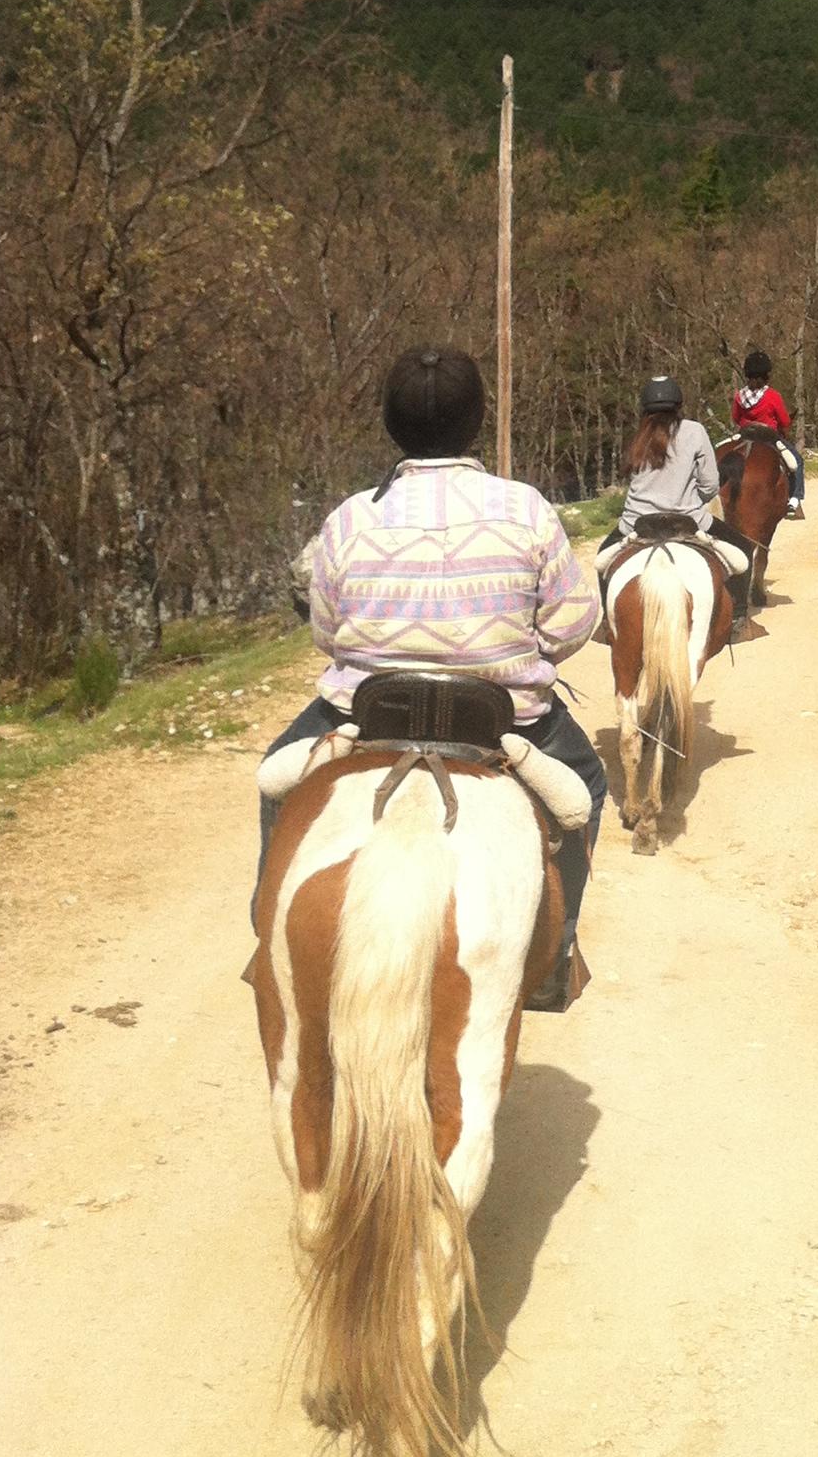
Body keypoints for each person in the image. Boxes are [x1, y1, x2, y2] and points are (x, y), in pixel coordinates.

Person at [258, 344, 605, 1013]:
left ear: (391, 425)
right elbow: (570, 628)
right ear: (477, 420)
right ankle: (554, 954)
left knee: (280, 779)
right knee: (588, 781)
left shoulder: (350, 518)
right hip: (503, 721)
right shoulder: (527, 508)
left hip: (364, 717)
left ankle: (265, 929)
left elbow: (327, 634)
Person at [614, 375, 766, 641]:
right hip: (687, 519)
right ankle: (739, 620)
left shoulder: (638, 434)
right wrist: (697, 496)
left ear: (645, 408)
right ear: (679, 405)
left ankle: (609, 624)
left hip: (636, 521)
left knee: (604, 559)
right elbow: (709, 484)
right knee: (742, 549)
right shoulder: (694, 431)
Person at [730, 347, 805, 519]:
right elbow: (785, 422)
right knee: (797, 462)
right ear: (766, 375)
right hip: (768, 437)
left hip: (745, 435)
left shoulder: (739, 396)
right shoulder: (773, 396)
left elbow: (735, 418)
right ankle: (794, 500)